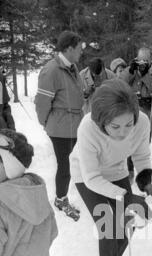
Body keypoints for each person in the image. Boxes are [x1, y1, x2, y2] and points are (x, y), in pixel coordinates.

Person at [70, 79, 152, 256]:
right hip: (87, 175)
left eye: (128, 124)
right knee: (108, 226)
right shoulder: (88, 128)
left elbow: (141, 157)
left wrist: (148, 189)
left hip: (116, 172)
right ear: (101, 120)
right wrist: (128, 198)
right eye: (115, 127)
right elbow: (92, 178)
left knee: (128, 223)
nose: (123, 132)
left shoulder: (142, 122)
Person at [35, 30, 84, 221]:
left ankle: (64, 197)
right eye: (79, 48)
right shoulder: (51, 70)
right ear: (69, 48)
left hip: (74, 124)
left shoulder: (73, 67)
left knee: (73, 164)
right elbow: (42, 103)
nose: (81, 52)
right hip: (61, 128)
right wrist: (46, 123)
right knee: (65, 166)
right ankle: (61, 199)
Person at [121, 47, 152, 134]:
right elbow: (121, 84)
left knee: (145, 142)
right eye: (141, 60)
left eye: (145, 60)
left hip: (148, 111)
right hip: (132, 111)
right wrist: (130, 71)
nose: (142, 63)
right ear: (137, 59)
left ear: (150, 60)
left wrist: (148, 75)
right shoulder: (132, 69)